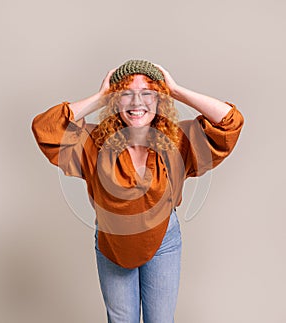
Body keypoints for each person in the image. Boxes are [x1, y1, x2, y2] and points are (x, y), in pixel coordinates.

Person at [31, 59, 244, 323]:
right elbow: (45, 128)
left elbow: (229, 122)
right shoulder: (94, 143)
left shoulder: (177, 141)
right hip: (113, 241)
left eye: (147, 93)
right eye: (126, 94)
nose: (136, 102)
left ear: (159, 100)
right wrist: (100, 97)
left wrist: (176, 90)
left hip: (165, 238)